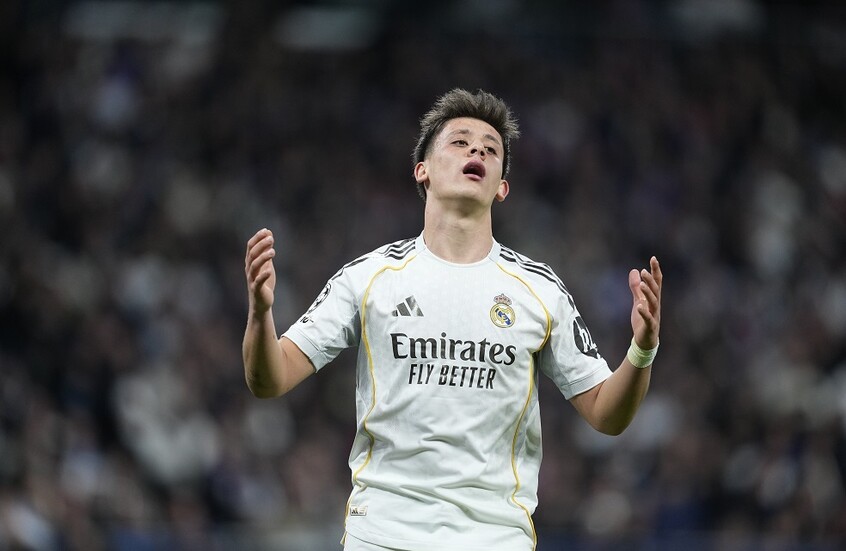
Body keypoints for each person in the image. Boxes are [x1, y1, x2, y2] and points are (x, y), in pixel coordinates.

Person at [243, 88, 662, 551]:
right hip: (382, 535)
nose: (477, 151)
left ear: (501, 187)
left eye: (491, 149)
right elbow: (270, 379)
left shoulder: (540, 290)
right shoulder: (367, 278)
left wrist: (642, 349)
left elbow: (607, 414)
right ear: (422, 169)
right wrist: (261, 315)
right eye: (460, 142)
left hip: (495, 538)